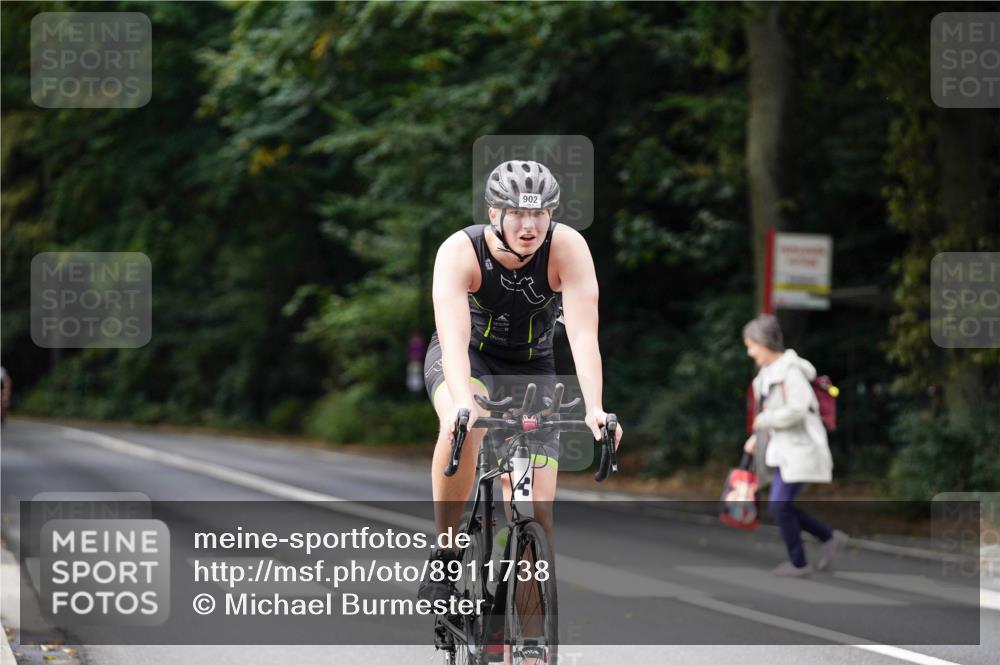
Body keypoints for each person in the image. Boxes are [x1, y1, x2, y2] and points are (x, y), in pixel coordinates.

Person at [418, 159, 623, 603]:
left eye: (540, 214)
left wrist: (595, 408)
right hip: (469, 357)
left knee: (538, 513)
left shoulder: (568, 248)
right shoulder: (461, 251)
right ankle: (448, 553)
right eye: (517, 213)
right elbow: (453, 341)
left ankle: (528, 650)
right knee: (464, 424)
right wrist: (461, 403)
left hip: (532, 368)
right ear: (494, 213)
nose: (529, 225)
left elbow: (585, 335)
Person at [742, 314, 848, 577]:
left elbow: (798, 409)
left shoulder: (791, 372)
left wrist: (764, 420)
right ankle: (829, 538)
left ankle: (800, 562)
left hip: (801, 449)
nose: (749, 351)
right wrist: (758, 437)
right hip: (785, 450)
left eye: (750, 345)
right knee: (782, 505)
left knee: (779, 506)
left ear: (762, 342)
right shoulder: (767, 375)